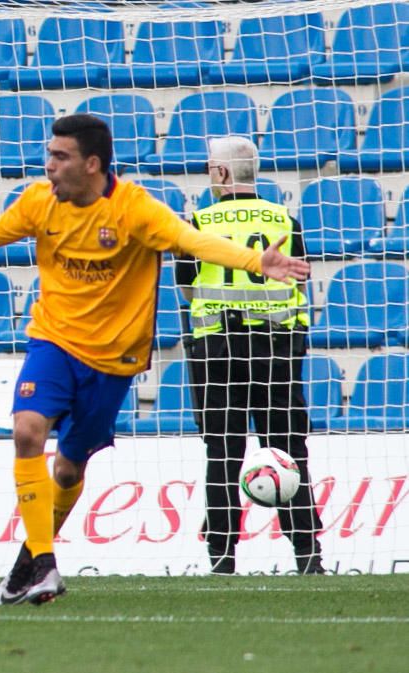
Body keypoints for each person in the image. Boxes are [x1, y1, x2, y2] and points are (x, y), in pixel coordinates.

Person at [0, 114, 311, 605]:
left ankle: (27, 563)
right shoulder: (38, 202)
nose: (48, 165)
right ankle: (46, 563)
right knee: (27, 430)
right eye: (49, 154)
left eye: (60, 156)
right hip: (53, 341)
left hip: (113, 362)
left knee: (69, 471)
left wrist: (254, 262)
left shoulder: (135, 209)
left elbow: (191, 241)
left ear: (91, 164)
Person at [175, 136, 325, 575]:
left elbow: (187, 289)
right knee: (289, 451)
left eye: (209, 167)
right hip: (276, 350)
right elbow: (297, 279)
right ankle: (308, 557)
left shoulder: (196, 223)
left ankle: (222, 559)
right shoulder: (285, 219)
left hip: (217, 351)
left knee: (222, 453)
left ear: (221, 173)